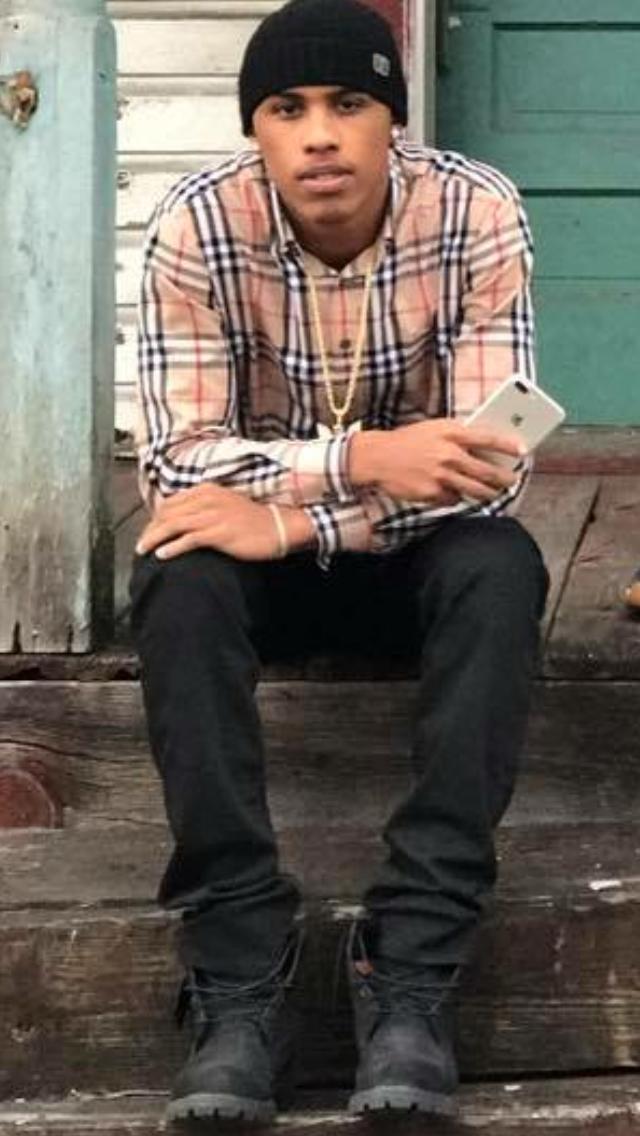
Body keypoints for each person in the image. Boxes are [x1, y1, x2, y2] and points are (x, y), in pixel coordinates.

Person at [130, 0, 549, 1123]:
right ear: (254, 129)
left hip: (408, 564)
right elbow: (177, 463)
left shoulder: (475, 209)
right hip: (264, 575)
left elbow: (491, 470)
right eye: (287, 108)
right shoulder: (195, 224)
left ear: (391, 121)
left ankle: (412, 963)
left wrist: (291, 520)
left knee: (500, 566)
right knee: (177, 577)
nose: (319, 134)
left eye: (349, 103)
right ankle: (237, 973)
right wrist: (363, 458)